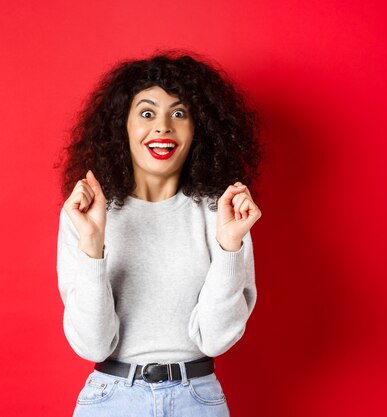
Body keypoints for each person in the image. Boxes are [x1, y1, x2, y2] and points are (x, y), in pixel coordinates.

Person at [56, 50, 263, 417]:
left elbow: (215, 339)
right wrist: (92, 245)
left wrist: (230, 247)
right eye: (147, 113)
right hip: (111, 400)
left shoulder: (223, 211)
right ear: (123, 125)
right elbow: (93, 345)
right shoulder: (88, 213)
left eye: (179, 113)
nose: (163, 126)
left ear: (199, 129)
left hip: (198, 399)